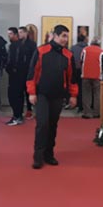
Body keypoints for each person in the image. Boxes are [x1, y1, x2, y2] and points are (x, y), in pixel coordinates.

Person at [26, 24, 78, 169]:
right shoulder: (41, 51)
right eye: (63, 36)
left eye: (67, 37)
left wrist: (73, 95)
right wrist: (32, 92)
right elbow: (32, 73)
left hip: (58, 95)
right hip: (42, 94)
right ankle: (38, 156)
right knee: (42, 124)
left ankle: (49, 154)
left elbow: (72, 78)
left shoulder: (68, 55)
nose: (65, 39)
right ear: (55, 36)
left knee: (52, 125)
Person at [80, 38, 103, 119]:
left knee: (86, 94)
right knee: (97, 94)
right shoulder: (102, 52)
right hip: (97, 76)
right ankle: (96, 113)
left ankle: (87, 113)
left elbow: (81, 61)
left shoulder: (85, 50)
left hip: (86, 74)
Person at [5, 27, 24, 126]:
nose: (9, 36)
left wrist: (10, 69)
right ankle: (18, 116)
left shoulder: (16, 46)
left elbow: (14, 60)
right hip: (17, 74)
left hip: (16, 74)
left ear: (16, 35)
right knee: (17, 96)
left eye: (10, 34)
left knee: (14, 96)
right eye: (8, 34)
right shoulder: (17, 45)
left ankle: (17, 116)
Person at [19, 26, 37, 119]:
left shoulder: (32, 44)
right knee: (19, 91)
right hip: (19, 71)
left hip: (28, 70)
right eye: (19, 32)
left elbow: (34, 58)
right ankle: (20, 110)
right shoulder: (17, 43)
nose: (20, 34)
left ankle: (29, 109)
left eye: (21, 32)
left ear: (26, 33)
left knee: (28, 91)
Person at [69, 33, 88, 111]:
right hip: (84, 70)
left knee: (75, 86)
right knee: (83, 88)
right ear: (84, 40)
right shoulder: (87, 48)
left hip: (75, 69)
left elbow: (70, 59)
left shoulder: (73, 48)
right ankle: (82, 105)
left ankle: (74, 103)